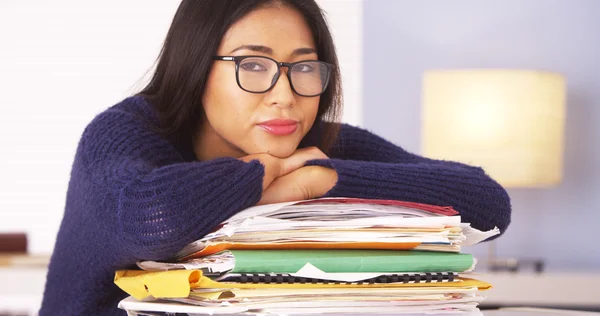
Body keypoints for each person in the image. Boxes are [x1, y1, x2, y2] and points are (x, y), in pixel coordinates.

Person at [39, 0, 511, 315]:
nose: (285, 95)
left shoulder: (321, 146)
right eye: (253, 65)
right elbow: (147, 216)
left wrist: (321, 180)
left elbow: (488, 203)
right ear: (196, 66)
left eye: (303, 67)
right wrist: (265, 175)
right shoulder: (126, 132)